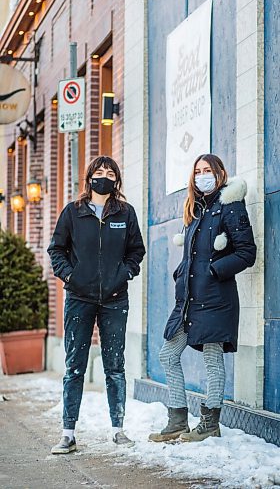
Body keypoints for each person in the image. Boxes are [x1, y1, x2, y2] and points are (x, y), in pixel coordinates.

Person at [149, 154, 256, 443]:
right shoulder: (196, 208)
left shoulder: (230, 205)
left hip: (216, 297)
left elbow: (248, 253)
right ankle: (177, 420)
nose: (202, 175)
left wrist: (213, 270)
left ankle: (210, 422)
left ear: (220, 173)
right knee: (167, 355)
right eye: (198, 171)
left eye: (208, 170)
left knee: (212, 358)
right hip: (189, 299)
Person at [47, 155, 145, 453]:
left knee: (115, 365)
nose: (105, 176)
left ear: (117, 180)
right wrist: (70, 276)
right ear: (89, 177)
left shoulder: (125, 213)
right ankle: (68, 433)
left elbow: (136, 250)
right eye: (99, 172)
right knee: (74, 366)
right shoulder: (73, 213)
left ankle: (118, 429)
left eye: (111, 173)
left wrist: (125, 274)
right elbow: (56, 249)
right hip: (79, 298)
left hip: (115, 299)